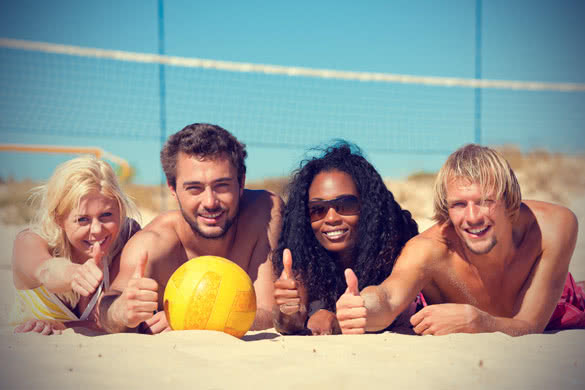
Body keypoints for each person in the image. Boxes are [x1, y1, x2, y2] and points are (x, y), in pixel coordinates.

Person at [336, 143, 583, 336]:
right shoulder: (429, 250)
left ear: (508, 200)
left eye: (486, 201)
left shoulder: (552, 227)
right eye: (459, 205)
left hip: (556, 299)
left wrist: (480, 322)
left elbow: (530, 326)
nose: (473, 217)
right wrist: (363, 307)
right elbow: (387, 297)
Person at [98, 123, 283, 334]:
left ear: (241, 183)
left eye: (222, 185)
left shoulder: (264, 211)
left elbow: (270, 313)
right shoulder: (152, 245)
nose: (210, 202)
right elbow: (109, 306)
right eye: (194, 188)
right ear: (173, 189)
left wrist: (191, 318)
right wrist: (121, 311)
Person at [272, 142, 419, 335]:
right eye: (317, 210)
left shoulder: (399, 249)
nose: (331, 218)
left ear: (368, 206)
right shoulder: (305, 255)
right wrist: (287, 310)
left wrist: (338, 321)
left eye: (346, 205)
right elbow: (290, 322)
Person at [10, 155, 140, 335]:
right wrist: (73, 274)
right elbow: (46, 270)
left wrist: (63, 326)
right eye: (82, 219)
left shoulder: (127, 237)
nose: (96, 229)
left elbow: (107, 321)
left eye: (106, 215)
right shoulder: (28, 242)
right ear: (59, 219)